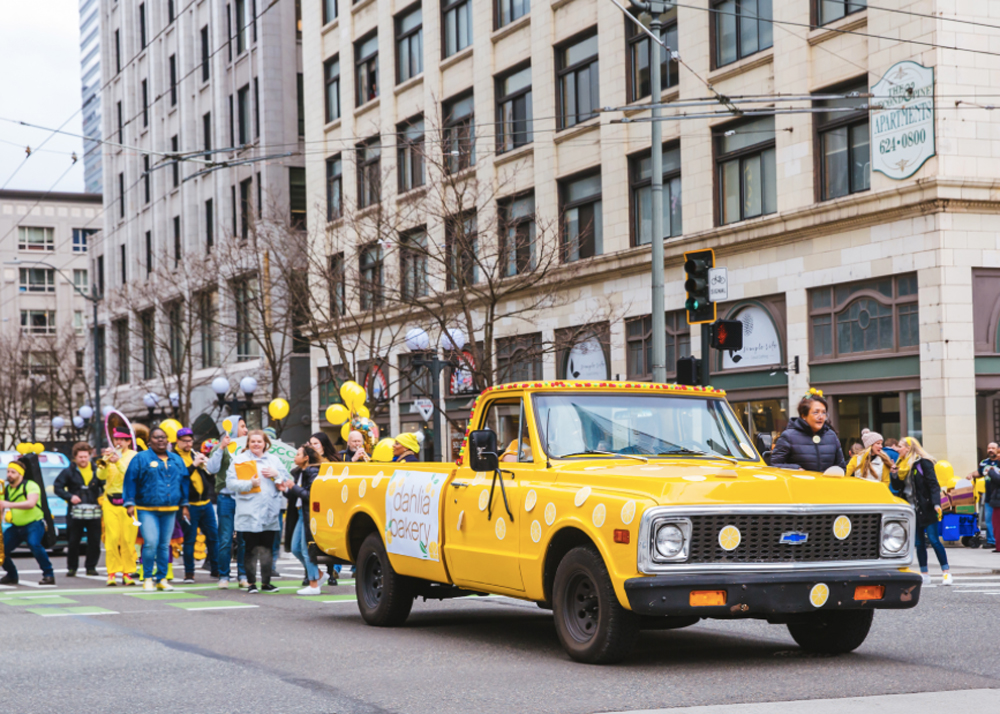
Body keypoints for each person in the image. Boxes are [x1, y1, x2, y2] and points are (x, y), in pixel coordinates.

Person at [123, 427, 189, 592]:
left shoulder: (176, 459)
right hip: (147, 508)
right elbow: (130, 480)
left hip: (171, 508)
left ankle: (162, 579)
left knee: (164, 545)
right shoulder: (140, 458)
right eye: (156, 437)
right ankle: (147, 578)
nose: (160, 440)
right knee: (151, 543)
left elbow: (184, 481)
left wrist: (185, 504)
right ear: (149, 442)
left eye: (163, 437)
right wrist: (129, 502)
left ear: (168, 440)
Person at [226, 430, 290, 594]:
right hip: (249, 510)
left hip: (270, 510)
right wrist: (250, 483)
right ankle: (251, 583)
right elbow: (231, 483)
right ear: (248, 443)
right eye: (253, 441)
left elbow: (287, 480)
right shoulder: (239, 460)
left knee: (268, 548)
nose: (256, 444)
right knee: (250, 548)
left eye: (259, 441)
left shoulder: (274, 460)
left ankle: (267, 583)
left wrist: (276, 475)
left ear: (265, 443)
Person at [892, 436, 952, 586]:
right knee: (919, 543)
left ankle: (946, 572)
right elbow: (899, 487)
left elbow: (933, 485)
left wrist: (936, 504)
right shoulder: (902, 465)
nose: (897, 449)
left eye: (900, 446)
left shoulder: (923, 463)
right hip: (911, 510)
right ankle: (924, 573)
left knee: (933, 540)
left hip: (926, 507)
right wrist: (894, 474)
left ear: (908, 448)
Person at [206, 418, 249, 589]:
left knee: (244, 539)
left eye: (246, 426)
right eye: (242, 426)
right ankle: (224, 575)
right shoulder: (221, 447)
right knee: (225, 538)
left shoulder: (248, 448)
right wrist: (222, 447)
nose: (246, 430)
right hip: (226, 498)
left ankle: (243, 575)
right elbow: (212, 468)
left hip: (245, 498)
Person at [0, 460, 56, 585]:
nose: (9, 474)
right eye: (8, 471)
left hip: (33, 524)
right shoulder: (7, 489)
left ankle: (49, 575)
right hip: (16, 526)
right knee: (2, 550)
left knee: (34, 544)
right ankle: (11, 575)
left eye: (13, 472)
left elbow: (31, 503)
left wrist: (8, 504)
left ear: (21, 474)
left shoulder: (31, 485)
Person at [175, 428, 219, 583]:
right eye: (185, 441)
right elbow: (178, 476)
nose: (188, 444)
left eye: (190, 441)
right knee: (190, 540)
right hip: (189, 505)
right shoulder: (174, 457)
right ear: (178, 441)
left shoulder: (194, 454)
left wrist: (207, 467)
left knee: (213, 537)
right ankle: (189, 573)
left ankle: (216, 569)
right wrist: (194, 465)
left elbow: (208, 477)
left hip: (205, 503)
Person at [54, 442, 103, 577]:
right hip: (75, 511)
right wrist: (70, 496)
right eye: (80, 457)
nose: (83, 459)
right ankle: (72, 568)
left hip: (94, 510)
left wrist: (102, 498)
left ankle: (91, 567)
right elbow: (57, 487)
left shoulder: (97, 470)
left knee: (94, 541)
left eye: (85, 456)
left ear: (90, 456)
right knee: (73, 541)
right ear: (75, 457)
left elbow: (105, 484)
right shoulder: (68, 471)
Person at [97, 430, 140, 586]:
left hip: (128, 501)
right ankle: (112, 573)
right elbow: (100, 476)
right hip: (109, 501)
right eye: (116, 439)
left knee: (128, 539)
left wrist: (118, 462)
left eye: (122, 440)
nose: (119, 442)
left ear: (129, 441)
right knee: (112, 538)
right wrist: (105, 461)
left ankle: (127, 573)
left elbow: (133, 475)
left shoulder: (134, 456)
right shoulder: (109, 455)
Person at [770, 389, 846, 472]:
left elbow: (841, 467)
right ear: (803, 415)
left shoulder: (831, 435)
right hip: (799, 484)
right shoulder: (788, 436)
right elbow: (774, 465)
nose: (821, 417)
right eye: (815, 412)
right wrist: (796, 469)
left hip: (826, 484)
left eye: (824, 413)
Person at [281, 445, 323, 595]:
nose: (295, 456)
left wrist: (293, 487)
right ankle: (318, 574)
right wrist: (285, 489)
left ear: (306, 458)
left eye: (298, 454)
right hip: (300, 514)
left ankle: (313, 585)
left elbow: (310, 495)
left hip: (308, 514)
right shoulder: (299, 472)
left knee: (306, 550)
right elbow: (295, 495)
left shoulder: (312, 472)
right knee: (295, 548)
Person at [977, 442, 999, 550]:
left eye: (993, 448)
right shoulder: (984, 463)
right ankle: (991, 540)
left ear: (998, 450)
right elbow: (979, 472)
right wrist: (971, 474)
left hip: (998, 496)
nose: (990, 450)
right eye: (989, 448)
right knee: (989, 519)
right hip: (989, 496)